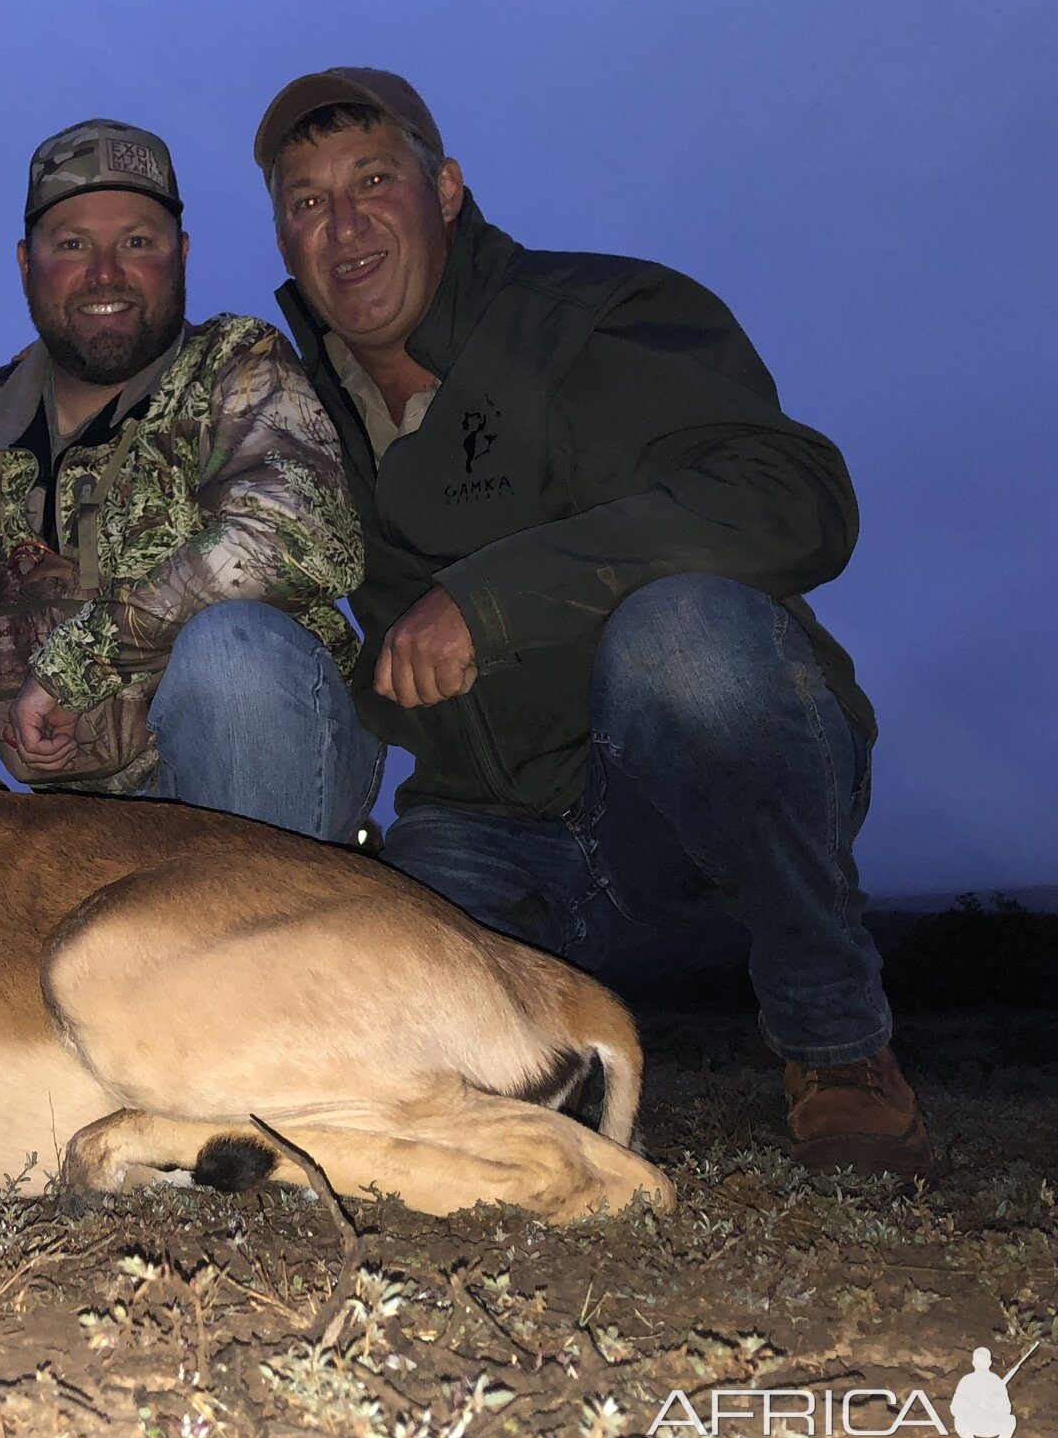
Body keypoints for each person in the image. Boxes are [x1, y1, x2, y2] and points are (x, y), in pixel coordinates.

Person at [252, 68, 930, 1176]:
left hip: (671, 817)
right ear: (284, 237)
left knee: (684, 640)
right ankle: (534, 1077)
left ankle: (834, 1043)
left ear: (448, 190)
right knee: (370, 1047)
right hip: (480, 830)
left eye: (374, 180)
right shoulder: (281, 408)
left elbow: (790, 495)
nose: (345, 223)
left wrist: (491, 600)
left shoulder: (597, 316)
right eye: (306, 200)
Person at [0, 118, 376, 841]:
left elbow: (302, 536)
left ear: (181, 256)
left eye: (137, 241)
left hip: (266, 777)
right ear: (25, 263)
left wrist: (72, 668)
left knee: (232, 651)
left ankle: (260, 921)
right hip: (84, 830)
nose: (105, 274)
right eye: (72, 245)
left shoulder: (238, 362)